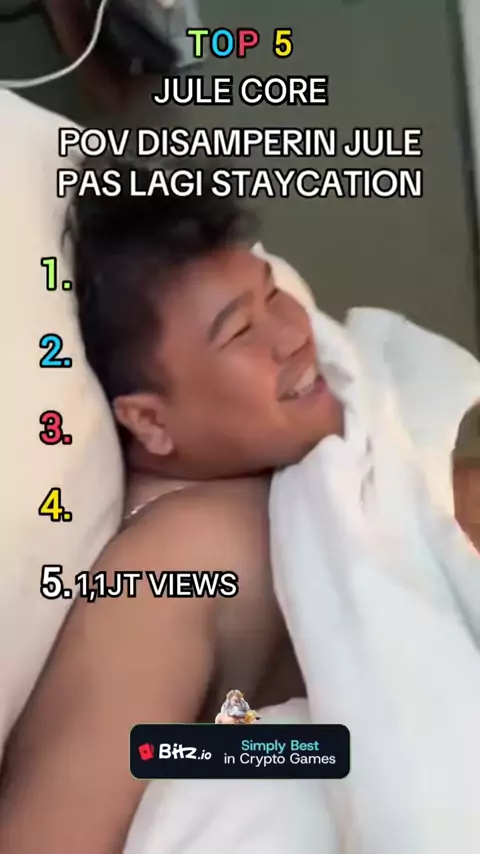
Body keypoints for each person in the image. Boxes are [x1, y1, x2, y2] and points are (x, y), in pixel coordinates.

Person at [0, 165, 479, 854]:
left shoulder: (299, 467)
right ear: (150, 421)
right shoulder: (171, 563)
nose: (290, 334)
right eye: (240, 330)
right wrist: (321, 751)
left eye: (272, 294)